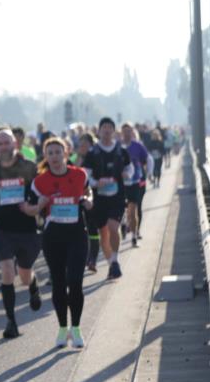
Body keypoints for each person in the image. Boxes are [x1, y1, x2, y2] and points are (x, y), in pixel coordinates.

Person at [21, 139, 93, 348]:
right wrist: (39, 206)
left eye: (57, 152)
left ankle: (77, 329)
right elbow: (30, 209)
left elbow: (88, 191)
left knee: (75, 282)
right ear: (46, 156)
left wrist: (89, 200)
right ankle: (63, 329)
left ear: (66, 153)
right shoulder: (39, 182)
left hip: (77, 234)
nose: (54, 156)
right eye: (50, 153)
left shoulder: (79, 174)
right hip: (53, 237)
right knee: (59, 283)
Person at [0, 129, 42, 339]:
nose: (3, 147)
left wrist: (32, 206)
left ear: (14, 144)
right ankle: (11, 321)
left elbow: (38, 193)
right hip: (3, 230)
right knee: (7, 272)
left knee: (25, 276)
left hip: (26, 229)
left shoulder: (28, 167)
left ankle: (33, 285)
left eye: (6, 143)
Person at [83, 117, 132, 279]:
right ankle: (111, 264)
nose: (106, 130)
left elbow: (129, 168)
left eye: (109, 127)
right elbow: (86, 176)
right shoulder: (92, 153)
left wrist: (126, 174)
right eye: (103, 127)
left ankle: (116, 260)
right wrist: (97, 183)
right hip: (99, 199)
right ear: (99, 130)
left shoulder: (120, 150)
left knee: (113, 227)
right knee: (103, 233)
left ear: (113, 130)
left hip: (117, 197)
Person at [73, 133, 101, 273]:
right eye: (80, 145)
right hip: (77, 200)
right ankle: (83, 259)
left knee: (93, 229)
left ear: (91, 145)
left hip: (94, 197)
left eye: (85, 145)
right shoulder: (76, 159)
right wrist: (78, 158)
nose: (82, 148)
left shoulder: (95, 158)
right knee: (82, 231)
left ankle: (93, 260)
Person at [121, 122, 151, 248]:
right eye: (124, 131)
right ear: (121, 132)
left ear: (132, 132)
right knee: (124, 210)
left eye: (129, 131)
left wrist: (146, 174)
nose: (127, 133)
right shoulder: (117, 146)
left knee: (133, 210)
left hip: (135, 182)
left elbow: (147, 160)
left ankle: (133, 236)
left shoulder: (138, 146)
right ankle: (123, 223)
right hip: (120, 184)